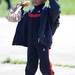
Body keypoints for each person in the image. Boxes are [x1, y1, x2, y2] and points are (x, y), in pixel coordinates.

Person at [12, 0, 60, 75]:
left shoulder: (47, 11)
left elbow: (56, 10)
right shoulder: (30, 12)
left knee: (45, 67)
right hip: (31, 44)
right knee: (30, 67)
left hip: (43, 44)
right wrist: (20, 5)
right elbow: (12, 17)